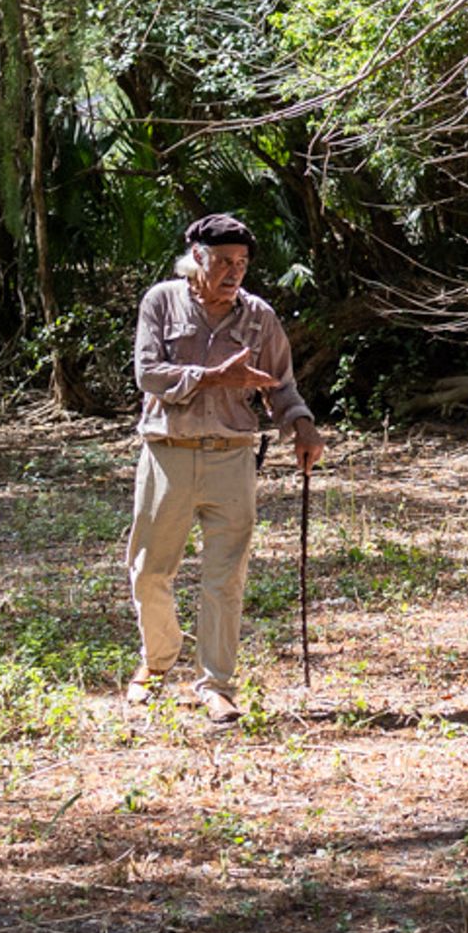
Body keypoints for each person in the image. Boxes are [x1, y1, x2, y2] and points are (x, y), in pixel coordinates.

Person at [125, 212, 324, 723]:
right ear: (197, 258)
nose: (234, 272)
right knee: (149, 572)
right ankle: (158, 660)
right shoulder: (161, 301)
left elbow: (281, 384)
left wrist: (301, 425)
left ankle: (217, 685)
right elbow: (148, 373)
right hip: (168, 451)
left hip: (233, 454)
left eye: (241, 263)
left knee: (225, 578)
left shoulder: (259, 316)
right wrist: (211, 377)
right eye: (223, 261)